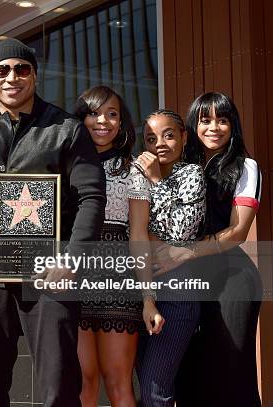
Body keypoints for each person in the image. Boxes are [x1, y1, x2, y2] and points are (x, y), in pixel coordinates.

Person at [0, 38, 107, 407]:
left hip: (51, 270)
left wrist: (72, 259)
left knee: (58, 386)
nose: (12, 77)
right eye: (2, 70)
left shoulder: (68, 129)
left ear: (35, 77)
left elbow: (91, 198)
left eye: (21, 69)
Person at [163, 93, 262, 406]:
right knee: (189, 371)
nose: (214, 127)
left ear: (233, 125)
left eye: (223, 120)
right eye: (205, 120)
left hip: (232, 276)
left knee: (232, 371)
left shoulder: (245, 166)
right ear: (194, 125)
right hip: (186, 277)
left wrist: (188, 251)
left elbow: (238, 232)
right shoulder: (178, 168)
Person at [74, 85, 163, 406]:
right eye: (94, 113)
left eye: (112, 114)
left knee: (118, 382)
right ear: (80, 119)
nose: (103, 121)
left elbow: (139, 236)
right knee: (81, 381)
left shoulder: (133, 170)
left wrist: (148, 300)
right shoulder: (64, 167)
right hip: (74, 279)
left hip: (118, 282)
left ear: (122, 123)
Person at [132, 110, 206, 406]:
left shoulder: (191, 173)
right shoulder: (134, 176)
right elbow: (132, 232)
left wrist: (155, 181)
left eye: (169, 135)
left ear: (184, 137)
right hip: (142, 289)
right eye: (151, 138)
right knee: (147, 384)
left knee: (155, 389)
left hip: (178, 291)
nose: (159, 144)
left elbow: (180, 232)